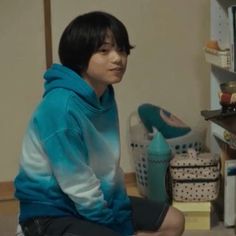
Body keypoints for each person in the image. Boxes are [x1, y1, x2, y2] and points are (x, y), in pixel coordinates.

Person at [14, 11, 185, 236]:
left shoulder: (104, 95)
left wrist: (120, 210)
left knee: (175, 221)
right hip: (49, 211)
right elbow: (79, 186)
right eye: (104, 51)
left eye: (122, 49)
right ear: (79, 56)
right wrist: (119, 228)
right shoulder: (60, 108)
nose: (118, 58)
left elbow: (108, 169)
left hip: (100, 199)